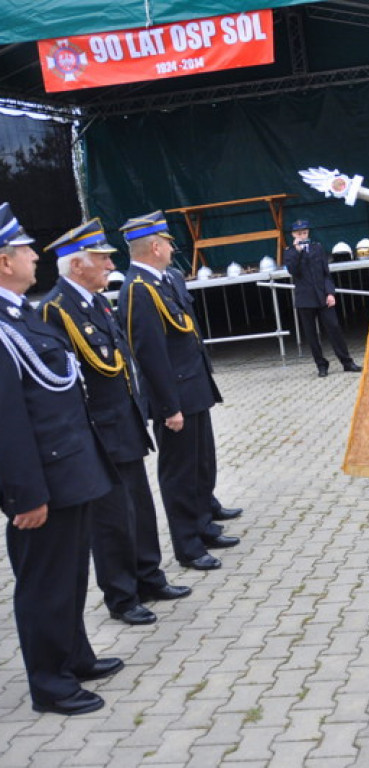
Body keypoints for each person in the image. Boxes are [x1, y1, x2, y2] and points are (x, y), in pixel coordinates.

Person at [0, 203, 123, 715]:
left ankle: (74, 655)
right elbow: (6, 422)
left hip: (69, 468)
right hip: (41, 481)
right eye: (25, 250)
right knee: (45, 585)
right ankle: (51, 684)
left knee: (71, 574)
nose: (34, 256)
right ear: (4, 262)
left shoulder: (23, 314)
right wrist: (23, 494)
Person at [41, 219, 192, 625]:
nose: (110, 266)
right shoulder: (55, 310)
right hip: (97, 430)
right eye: (102, 259)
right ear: (77, 266)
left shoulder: (97, 302)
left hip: (123, 421)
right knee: (111, 519)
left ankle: (148, 576)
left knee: (139, 507)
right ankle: (122, 596)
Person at [118, 211, 239, 572]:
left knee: (201, 462)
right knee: (179, 474)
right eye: (168, 243)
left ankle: (203, 524)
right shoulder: (138, 290)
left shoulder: (165, 280)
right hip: (174, 398)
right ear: (155, 247)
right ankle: (188, 544)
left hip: (193, 387)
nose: (173, 249)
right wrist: (169, 406)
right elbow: (150, 356)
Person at [283, 219, 362, 377]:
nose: (302, 235)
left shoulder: (317, 248)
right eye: (299, 233)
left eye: (304, 232)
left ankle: (346, 362)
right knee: (311, 335)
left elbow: (326, 273)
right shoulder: (289, 251)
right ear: (293, 234)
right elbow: (293, 271)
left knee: (334, 328)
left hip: (322, 296)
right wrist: (297, 250)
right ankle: (321, 365)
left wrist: (330, 293)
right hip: (305, 299)